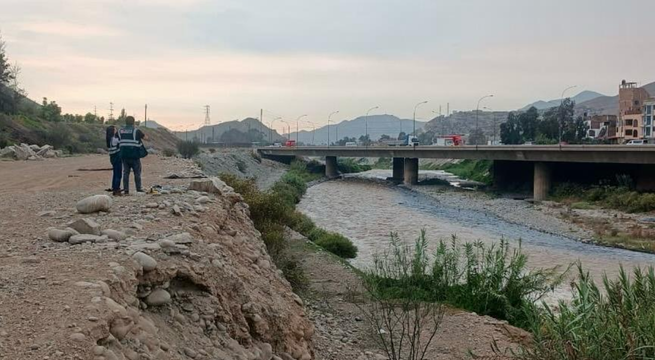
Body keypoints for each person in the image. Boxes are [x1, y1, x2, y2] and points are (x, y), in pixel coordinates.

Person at [118, 116, 148, 194]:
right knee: (137, 173)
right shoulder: (136, 131)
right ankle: (138, 189)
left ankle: (126, 190)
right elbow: (145, 138)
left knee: (125, 173)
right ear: (133, 122)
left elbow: (116, 139)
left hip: (124, 155)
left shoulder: (120, 131)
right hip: (135, 156)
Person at [106, 125, 122, 196]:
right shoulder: (114, 139)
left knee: (115, 173)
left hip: (112, 158)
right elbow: (121, 142)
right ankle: (116, 189)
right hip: (117, 157)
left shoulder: (109, 139)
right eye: (115, 129)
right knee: (118, 174)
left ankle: (114, 186)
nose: (116, 130)